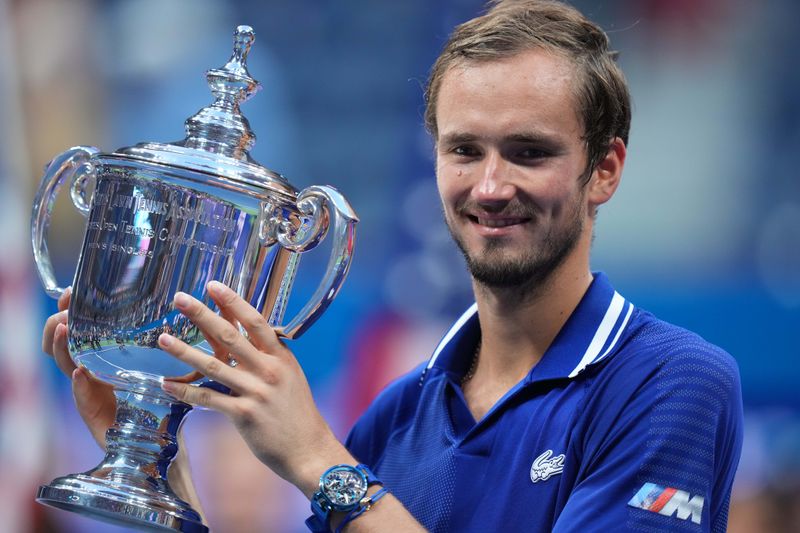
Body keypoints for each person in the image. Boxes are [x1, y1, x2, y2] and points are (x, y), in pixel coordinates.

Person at [43, 0, 743, 531]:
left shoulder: (673, 382)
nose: (491, 186)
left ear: (605, 169)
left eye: (529, 152)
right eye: (464, 150)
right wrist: (160, 467)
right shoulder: (395, 417)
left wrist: (320, 459)